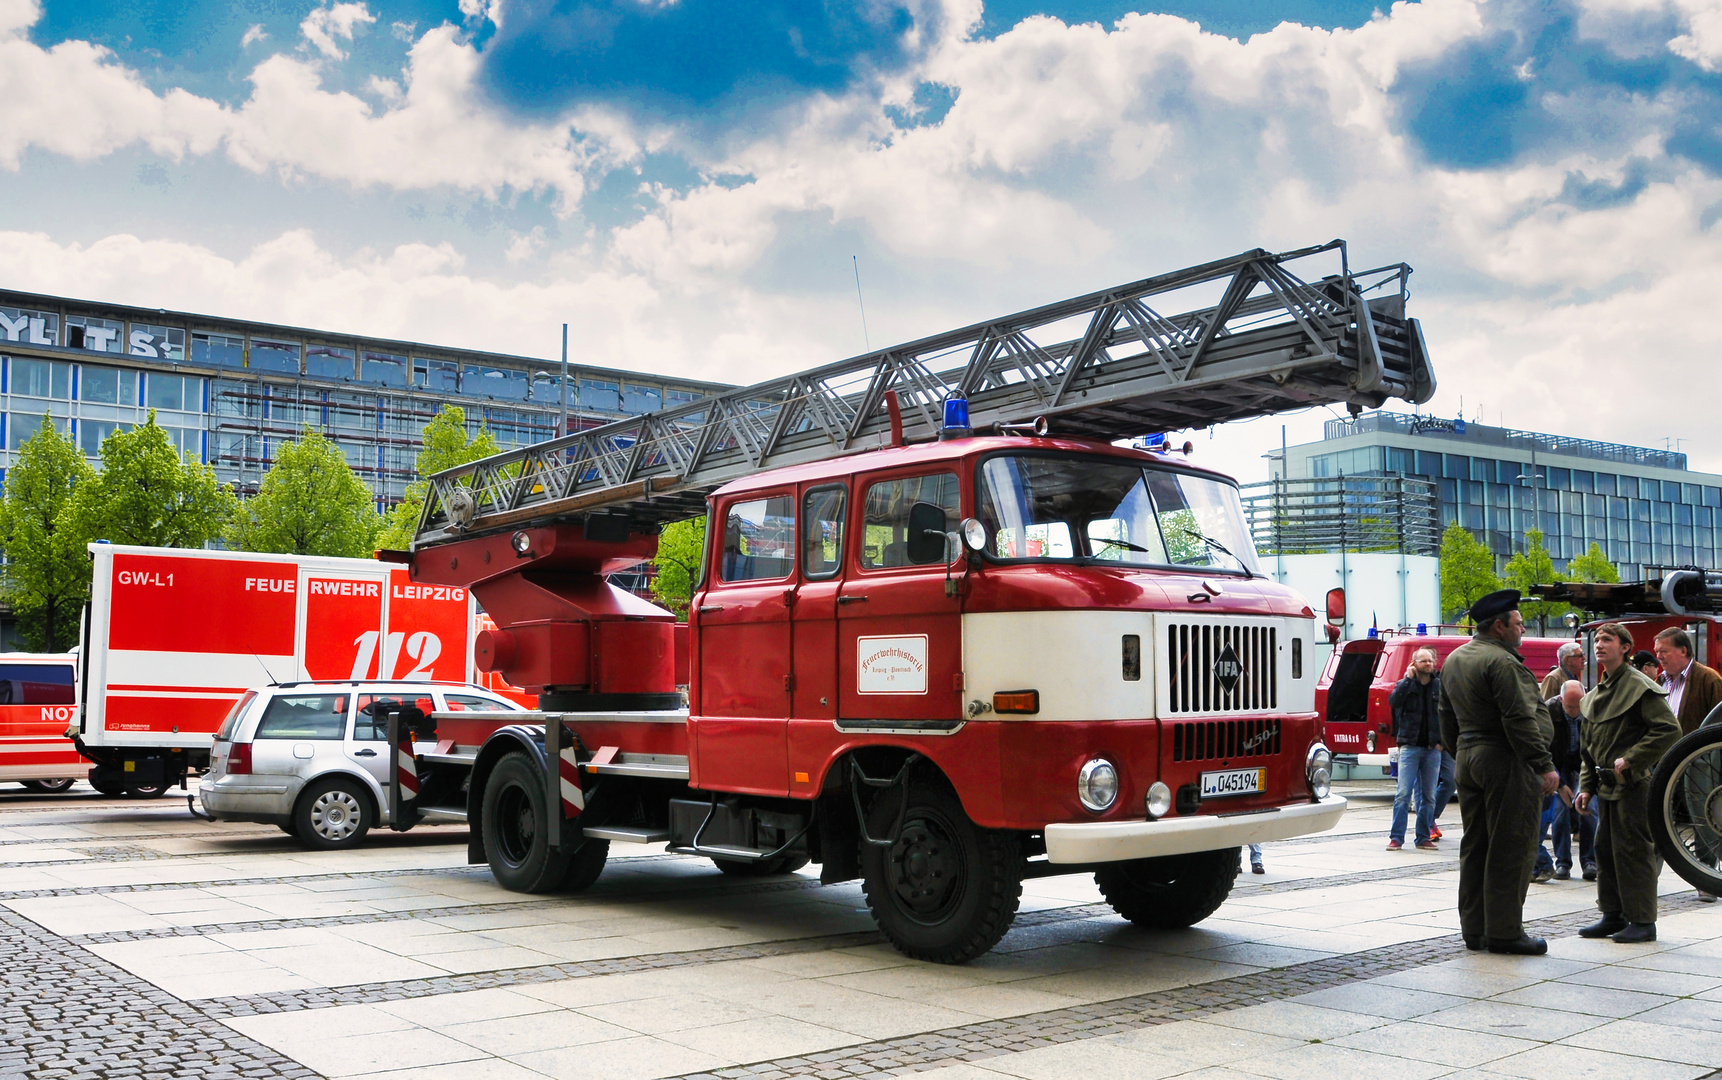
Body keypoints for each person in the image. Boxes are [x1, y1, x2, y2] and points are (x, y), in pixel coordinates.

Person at [1439, 590, 1560, 956]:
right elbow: (1519, 718)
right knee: (1511, 845)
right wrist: (1543, 764)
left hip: (1469, 758)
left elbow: (1445, 717)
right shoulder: (1503, 662)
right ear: (1498, 626)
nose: (1522, 629)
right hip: (1505, 759)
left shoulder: (1454, 659)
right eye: (1518, 623)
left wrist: (1460, 752)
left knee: (1475, 845)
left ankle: (1475, 930)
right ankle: (1506, 932)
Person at [1576, 622, 1682, 944]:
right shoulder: (1597, 693)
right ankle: (1612, 915)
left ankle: (1642, 921)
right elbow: (1588, 746)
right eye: (1597, 640)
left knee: (1634, 853)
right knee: (1605, 850)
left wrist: (1633, 758)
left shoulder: (1639, 686)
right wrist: (1586, 786)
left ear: (1625, 648)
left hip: (1633, 786)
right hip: (1606, 787)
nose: (1599, 645)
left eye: (1607, 639)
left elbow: (1668, 730)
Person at [1653, 627, 1722, 902]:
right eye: (1657, 652)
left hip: (1699, 765)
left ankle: (1705, 879)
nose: (1660, 657)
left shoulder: (1708, 679)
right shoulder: (1661, 681)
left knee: (1702, 820)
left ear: (1683, 650)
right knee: (1658, 818)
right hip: (1664, 764)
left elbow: (1718, 724)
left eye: (1664, 651)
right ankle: (1648, 879)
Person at [1532, 681, 1597, 882]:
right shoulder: (1549, 711)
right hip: (1558, 765)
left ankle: (1589, 861)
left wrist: (1589, 782)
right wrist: (1560, 785)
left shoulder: (1592, 710)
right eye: (1570, 707)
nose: (1575, 711)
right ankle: (1562, 862)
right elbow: (1543, 749)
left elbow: (1595, 747)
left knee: (1588, 810)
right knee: (1560, 812)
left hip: (1584, 765)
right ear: (1561, 701)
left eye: (1579, 706)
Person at [1387, 647, 1443, 851]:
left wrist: (1442, 741)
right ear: (1414, 664)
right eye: (1423, 661)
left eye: (1430, 661)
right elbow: (1394, 702)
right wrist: (1408, 680)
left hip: (1432, 749)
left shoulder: (1439, 686)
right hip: (1410, 746)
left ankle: (1423, 837)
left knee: (1429, 796)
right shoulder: (1405, 684)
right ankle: (1396, 838)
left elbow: (1448, 713)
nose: (1428, 664)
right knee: (1403, 794)